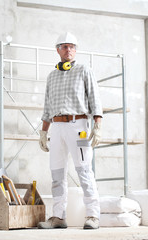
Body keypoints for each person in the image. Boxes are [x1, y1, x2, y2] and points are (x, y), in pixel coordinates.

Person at [38, 32, 103, 230]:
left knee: (84, 170)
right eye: (65, 46)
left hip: (80, 127)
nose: (69, 50)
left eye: (72, 47)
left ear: (76, 50)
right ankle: (58, 216)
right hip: (56, 127)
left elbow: (94, 98)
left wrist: (98, 124)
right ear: (58, 50)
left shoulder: (84, 70)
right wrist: (43, 131)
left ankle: (93, 215)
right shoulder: (52, 76)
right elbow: (47, 107)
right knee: (57, 173)